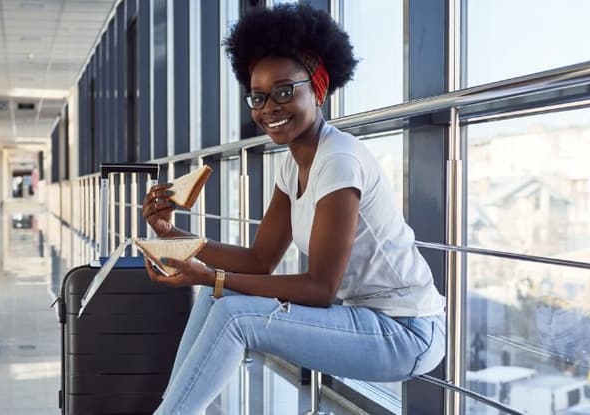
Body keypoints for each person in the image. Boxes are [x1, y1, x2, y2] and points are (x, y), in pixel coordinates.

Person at [140, 4, 447, 413]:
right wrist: (171, 237)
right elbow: (259, 260)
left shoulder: (339, 161)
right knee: (218, 299)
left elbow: (319, 289)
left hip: (406, 332)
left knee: (233, 312)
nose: (270, 107)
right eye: (259, 96)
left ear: (317, 89)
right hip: (362, 318)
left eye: (285, 91)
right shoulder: (293, 163)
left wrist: (210, 276)